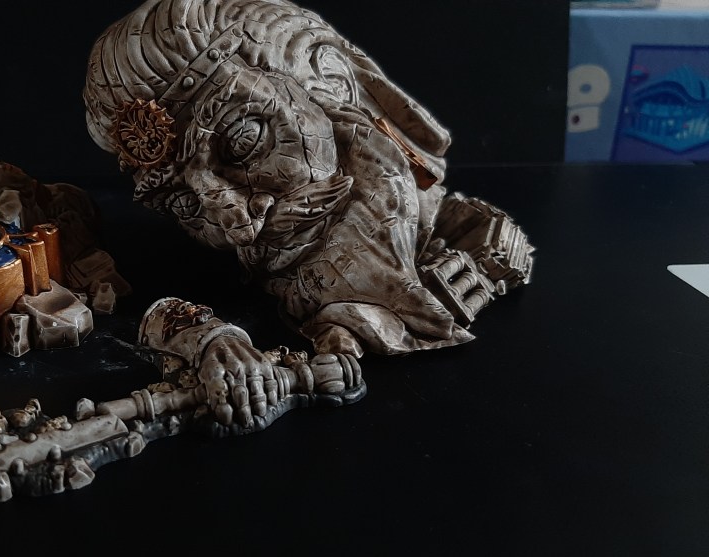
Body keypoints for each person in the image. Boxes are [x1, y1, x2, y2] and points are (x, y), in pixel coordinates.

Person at [83, 0, 533, 427]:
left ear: (331, 81)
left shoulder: (473, 234)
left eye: (244, 142)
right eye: (186, 203)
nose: (237, 225)